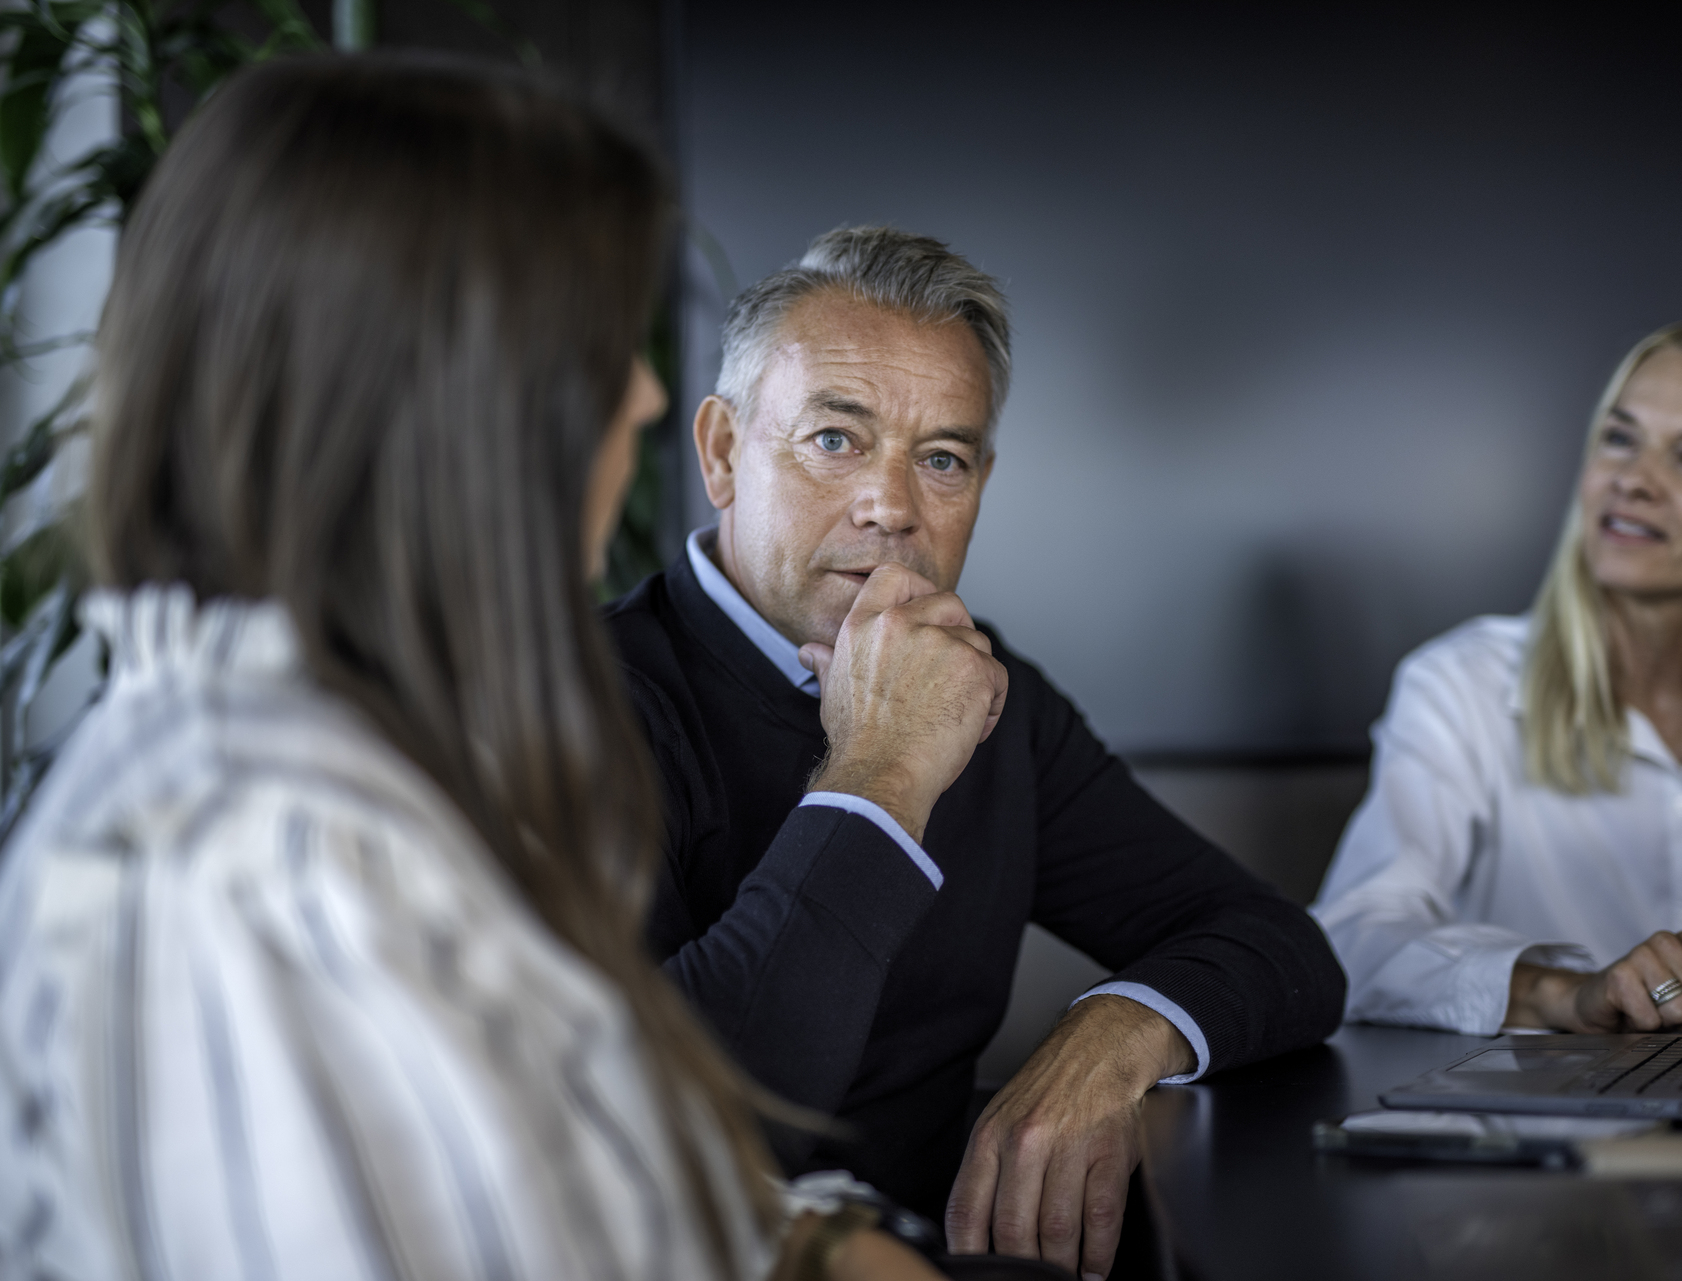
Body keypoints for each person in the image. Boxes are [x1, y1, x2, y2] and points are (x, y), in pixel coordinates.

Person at [0, 58, 942, 1281]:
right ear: (464, 402)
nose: (649, 395)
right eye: (605, 347)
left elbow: (562, 1160)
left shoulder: (337, 764)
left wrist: (810, 1241)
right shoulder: (264, 865)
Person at [602, 225, 1347, 1279]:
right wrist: (885, 771)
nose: (892, 509)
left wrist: (1115, 1033)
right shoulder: (586, 704)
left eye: (941, 459)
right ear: (723, 452)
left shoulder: (998, 697)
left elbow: (1281, 947)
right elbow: (690, 1138)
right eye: (834, 439)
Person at [1312, 322, 1682, 1037]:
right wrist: (1567, 992)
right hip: (1553, 1137)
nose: (1634, 479)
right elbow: (1354, 938)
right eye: (1620, 438)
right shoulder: (1460, 685)